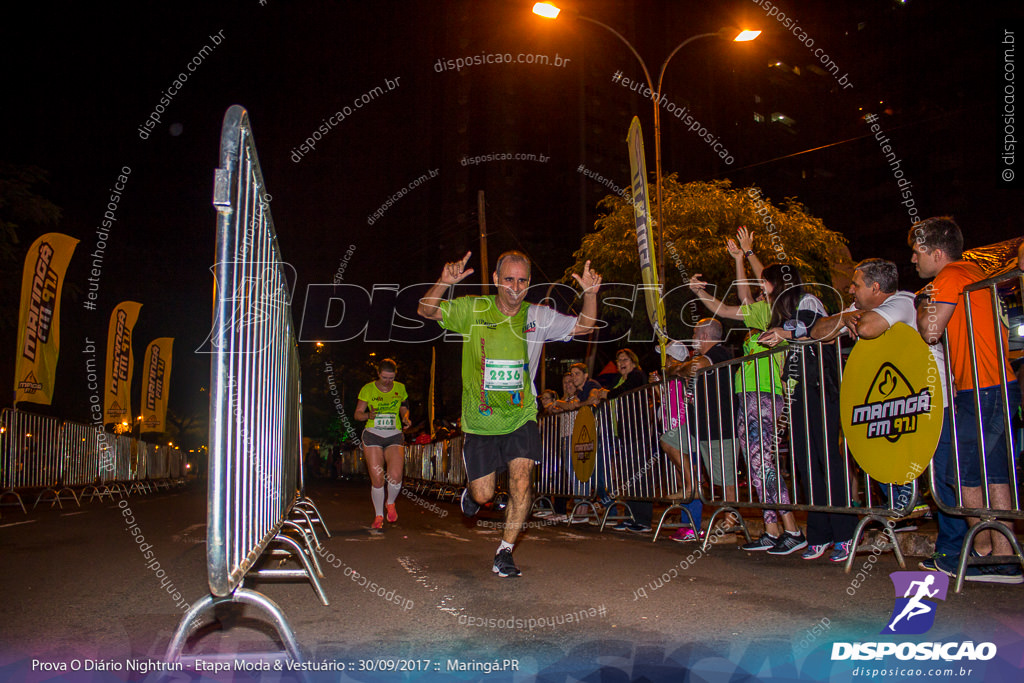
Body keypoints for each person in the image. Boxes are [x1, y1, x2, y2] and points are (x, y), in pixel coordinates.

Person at [417, 250, 600, 577]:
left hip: (521, 415)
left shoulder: (537, 316)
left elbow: (585, 327)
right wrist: (444, 282)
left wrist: (589, 295)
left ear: (529, 283)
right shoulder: (474, 308)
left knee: (521, 479)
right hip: (481, 418)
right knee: (484, 493)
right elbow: (426, 310)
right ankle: (474, 494)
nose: (515, 287)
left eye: (522, 281)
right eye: (509, 280)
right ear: (497, 281)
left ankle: (505, 551)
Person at [910, 217, 1021, 583]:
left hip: (984, 385)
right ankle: (995, 553)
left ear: (935, 252)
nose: (913, 260)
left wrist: (923, 302)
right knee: (993, 472)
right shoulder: (972, 271)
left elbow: (930, 331)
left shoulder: (950, 276)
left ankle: (992, 554)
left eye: (916, 252)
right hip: (993, 384)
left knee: (964, 472)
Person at [689, 242, 807, 555]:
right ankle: (771, 529)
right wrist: (699, 292)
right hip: (750, 396)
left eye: (762, 285)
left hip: (766, 395)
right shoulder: (759, 315)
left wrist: (744, 257)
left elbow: (750, 291)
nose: (757, 288)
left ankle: (792, 529)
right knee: (756, 465)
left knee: (762, 463)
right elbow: (723, 309)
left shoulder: (773, 311)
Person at [811, 258, 945, 530]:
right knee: (874, 443)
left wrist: (852, 321)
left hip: (928, 395)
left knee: (939, 469)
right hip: (890, 399)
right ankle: (901, 507)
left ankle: (917, 506)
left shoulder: (904, 300)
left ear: (875, 287)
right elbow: (819, 333)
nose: (850, 290)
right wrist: (844, 317)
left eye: (855, 284)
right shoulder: (857, 308)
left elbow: (868, 328)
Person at [756, 263, 855, 563]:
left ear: (777, 282)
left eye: (764, 282)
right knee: (804, 461)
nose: (762, 288)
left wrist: (780, 332)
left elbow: (810, 331)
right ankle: (820, 534)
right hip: (800, 391)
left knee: (827, 458)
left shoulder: (807, 301)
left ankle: (845, 533)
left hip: (821, 387)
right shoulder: (783, 312)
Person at [663, 319, 740, 541]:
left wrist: (676, 369)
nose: (693, 337)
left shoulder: (720, 352)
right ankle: (692, 486)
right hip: (699, 425)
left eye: (695, 332)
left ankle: (730, 527)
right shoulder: (704, 356)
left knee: (725, 482)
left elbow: (695, 367)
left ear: (705, 336)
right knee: (668, 441)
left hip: (720, 427)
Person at [354, 358, 412, 529]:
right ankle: (379, 515)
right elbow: (357, 414)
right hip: (373, 435)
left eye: (391, 378)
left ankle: (391, 503)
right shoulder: (368, 389)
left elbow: (403, 406)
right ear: (378, 374)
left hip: (394, 435)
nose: (388, 381)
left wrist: (405, 417)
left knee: (395, 476)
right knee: (378, 479)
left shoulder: (400, 388)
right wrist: (367, 416)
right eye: (385, 377)